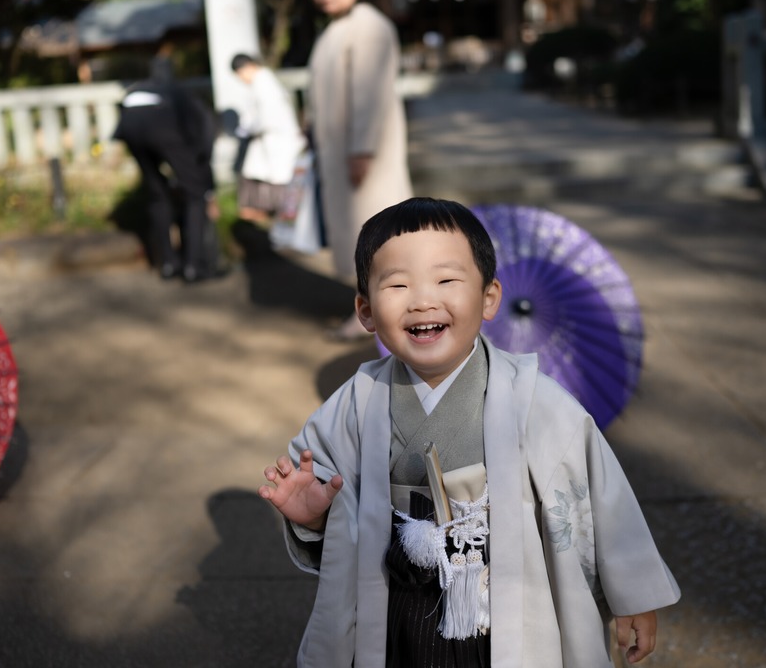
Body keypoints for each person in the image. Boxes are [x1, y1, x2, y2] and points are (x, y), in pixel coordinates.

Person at [259, 197, 681, 667]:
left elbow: (603, 499)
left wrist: (633, 596)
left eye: (446, 280)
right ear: (365, 311)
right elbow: (320, 487)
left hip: (502, 613)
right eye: (397, 284)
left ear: (489, 298)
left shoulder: (537, 403)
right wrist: (313, 518)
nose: (422, 300)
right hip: (395, 614)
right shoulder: (356, 403)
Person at [304, 0, 413, 340]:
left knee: (375, 234)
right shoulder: (335, 29)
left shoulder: (370, 25)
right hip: (342, 149)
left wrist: (362, 149)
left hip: (364, 153)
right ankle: (372, 311)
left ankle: (382, 316)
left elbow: (370, 93)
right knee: (360, 236)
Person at [112, 44, 222, 284]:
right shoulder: (189, 100)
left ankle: (168, 263)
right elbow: (203, 145)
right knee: (195, 196)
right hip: (162, 126)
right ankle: (194, 265)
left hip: (130, 125)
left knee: (157, 195)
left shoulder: (142, 88)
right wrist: (206, 186)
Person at [229, 53, 307, 224]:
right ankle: (278, 212)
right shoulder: (261, 82)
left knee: (280, 177)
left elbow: (268, 116)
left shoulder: (264, 83)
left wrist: (248, 127)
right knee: (264, 175)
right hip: (270, 139)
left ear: (247, 67)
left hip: (277, 139)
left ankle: (285, 213)